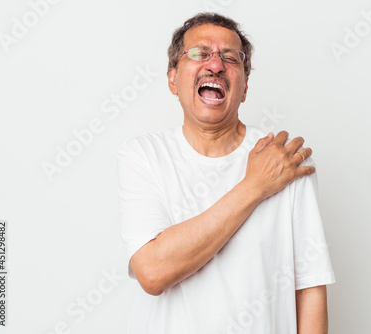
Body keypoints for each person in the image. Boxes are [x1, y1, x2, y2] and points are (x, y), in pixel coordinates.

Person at [118, 12, 335, 334]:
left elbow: (310, 288)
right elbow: (152, 272)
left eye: (230, 58)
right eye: (199, 53)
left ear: (245, 87)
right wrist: (255, 186)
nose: (216, 65)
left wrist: (269, 177)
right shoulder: (144, 155)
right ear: (172, 79)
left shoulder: (284, 160)